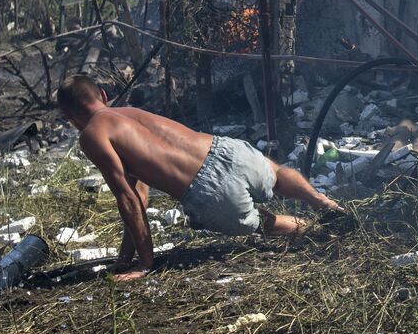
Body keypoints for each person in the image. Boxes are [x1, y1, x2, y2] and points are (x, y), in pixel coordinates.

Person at [56, 74, 343, 281]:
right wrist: (123, 258)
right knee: (278, 174)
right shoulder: (128, 113)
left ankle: (311, 230)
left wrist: (144, 263)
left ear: (69, 115)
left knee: (263, 223)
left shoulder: (93, 135)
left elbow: (128, 198)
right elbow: (139, 192)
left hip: (207, 190)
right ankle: (322, 203)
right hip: (224, 149)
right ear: (103, 96)